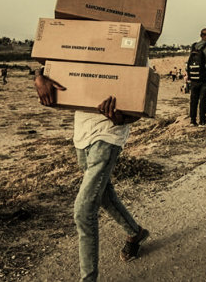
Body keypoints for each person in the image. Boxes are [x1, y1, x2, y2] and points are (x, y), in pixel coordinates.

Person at [34, 71, 149, 282]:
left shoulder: (132, 46)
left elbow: (141, 100)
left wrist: (122, 117)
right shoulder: (84, 41)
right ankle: (135, 232)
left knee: (84, 209)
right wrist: (38, 78)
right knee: (103, 193)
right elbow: (50, 63)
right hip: (82, 133)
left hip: (108, 134)